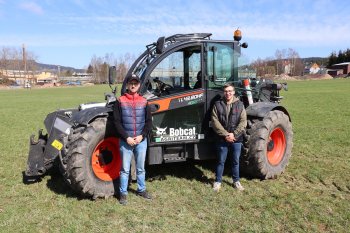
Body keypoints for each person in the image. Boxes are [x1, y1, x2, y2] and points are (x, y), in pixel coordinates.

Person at [113, 74, 153, 205]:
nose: (133, 85)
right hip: (126, 141)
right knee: (125, 169)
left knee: (141, 168)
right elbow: (117, 122)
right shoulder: (120, 101)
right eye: (131, 83)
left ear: (139, 85)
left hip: (141, 141)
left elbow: (148, 122)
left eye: (136, 83)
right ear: (128, 85)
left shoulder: (144, 101)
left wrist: (142, 136)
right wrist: (127, 137)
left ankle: (141, 189)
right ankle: (123, 193)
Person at [211, 83, 247, 192]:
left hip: (236, 139)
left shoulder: (240, 105)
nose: (228, 93)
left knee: (235, 161)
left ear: (234, 92)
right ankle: (218, 181)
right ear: (223, 92)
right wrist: (226, 134)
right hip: (222, 139)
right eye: (226, 91)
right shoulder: (217, 104)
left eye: (230, 91)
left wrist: (234, 134)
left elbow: (243, 122)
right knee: (221, 161)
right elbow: (215, 121)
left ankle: (236, 181)